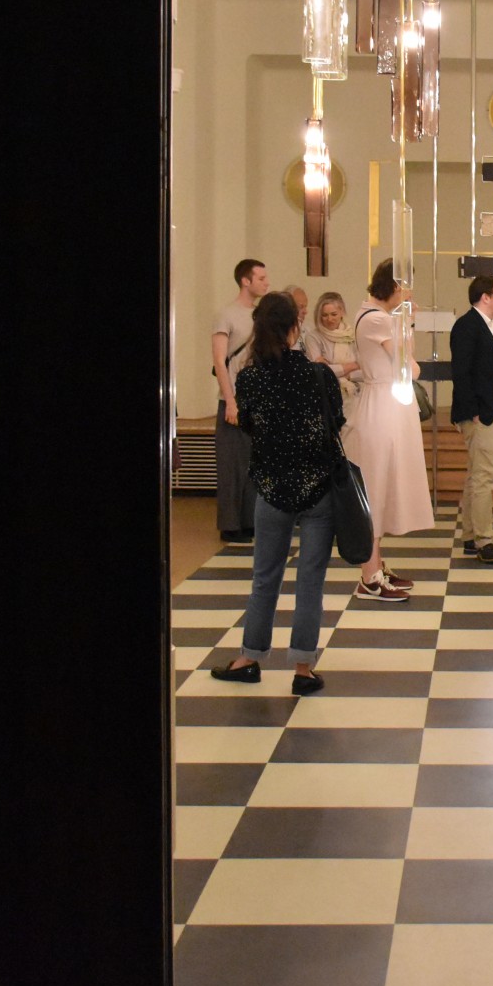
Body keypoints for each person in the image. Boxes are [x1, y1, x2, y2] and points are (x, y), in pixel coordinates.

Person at [207, 292, 339, 696]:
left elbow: (247, 425)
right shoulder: (318, 375)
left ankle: (249, 659)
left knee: (265, 577)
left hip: (271, 487)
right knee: (310, 581)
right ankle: (303, 669)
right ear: (295, 327)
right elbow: (335, 421)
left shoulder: (250, 379)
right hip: (317, 487)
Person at [344, 260, 434, 601]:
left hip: (384, 406)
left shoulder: (373, 315)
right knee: (376, 489)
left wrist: (405, 324)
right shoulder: (378, 319)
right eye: (406, 288)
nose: (408, 295)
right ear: (394, 286)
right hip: (383, 410)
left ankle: (375, 566)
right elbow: (409, 368)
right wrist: (407, 325)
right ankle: (370, 576)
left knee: (380, 488)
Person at [449, 274, 493, 563]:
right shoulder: (468, 326)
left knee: (477, 475)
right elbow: (461, 372)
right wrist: (473, 410)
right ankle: (483, 541)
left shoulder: (492, 327)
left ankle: (470, 537)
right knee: (485, 478)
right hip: (482, 415)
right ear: (485, 297)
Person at [210, 258, 268, 542]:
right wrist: (230, 401)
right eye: (261, 278)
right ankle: (230, 524)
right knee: (232, 465)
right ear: (246, 281)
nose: (266, 283)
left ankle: (249, 521)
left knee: (253, 463)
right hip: (234, 398)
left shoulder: (260, 315)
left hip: (256, 398)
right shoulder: (226, 315)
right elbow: (220, 361)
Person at [302, 290, 362, 410]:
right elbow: (320, 372)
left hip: (357, 395)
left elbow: (366, 370)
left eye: (334, 314)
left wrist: (346, 374)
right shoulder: (313, 337)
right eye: (325, 315)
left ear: (342, 312)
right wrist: (353, 365)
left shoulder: (353, 335)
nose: (329, 319)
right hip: (328, 397)